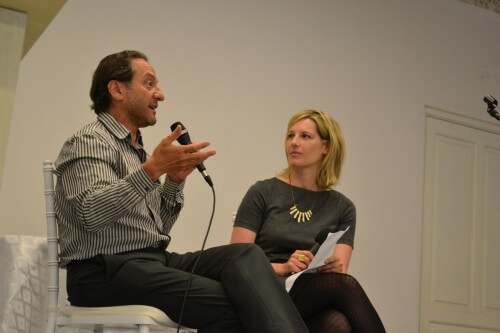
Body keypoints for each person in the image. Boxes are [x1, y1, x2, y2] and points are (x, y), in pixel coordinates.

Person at [54, 50, 309, 333]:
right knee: (237, 302)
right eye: (149, 84)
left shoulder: (137, 151)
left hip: (149, 261)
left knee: (245, 254)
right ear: (117, 90)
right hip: (101, 271)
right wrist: (151, 171)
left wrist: (173, 180)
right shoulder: (90, 140)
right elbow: (90, 214)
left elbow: (157, 228)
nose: (160, 94)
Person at [231, 109, 386, 332]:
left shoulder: (343, 207)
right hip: (263, 291)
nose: (294, 142)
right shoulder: (263, 191)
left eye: (305, 136)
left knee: (337, 324)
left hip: (307, 295)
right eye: (290, 135)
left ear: (326, 147)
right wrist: (284, 268)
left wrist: (332, 267)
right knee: (345, 287)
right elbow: (235, 262)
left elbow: (338, 273)